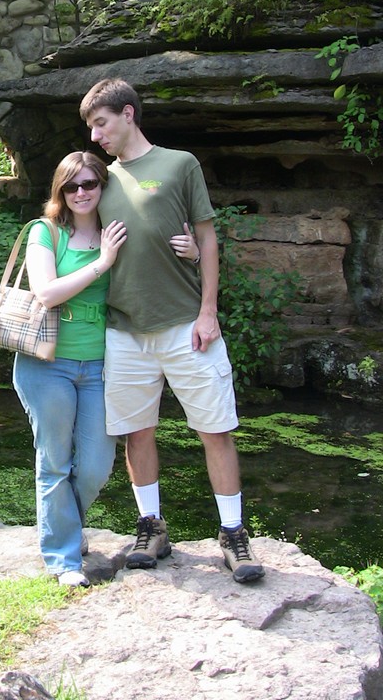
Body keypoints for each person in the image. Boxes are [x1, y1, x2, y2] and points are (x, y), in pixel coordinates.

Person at [79, 78, 265, 584]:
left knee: (215, 430)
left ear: (128, 114)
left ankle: (233, 534)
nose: (96, 136)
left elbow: (208, 237)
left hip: (187, 325)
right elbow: (72, 229)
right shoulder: (99, 180)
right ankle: (151, 527)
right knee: (136, 432)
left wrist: (208, 311)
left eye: (101, 124)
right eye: (91, 128)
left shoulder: (180, 164)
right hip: (123, 331)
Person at [13, 151, 127, 588]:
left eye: (90, 184)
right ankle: (63, 559)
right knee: (55, 462)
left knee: (96, 466)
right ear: (60, 190)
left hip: (100, 364)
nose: (81, 192)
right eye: (71, 185)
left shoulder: (115, 231)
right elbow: (46, 293)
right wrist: (102, 263)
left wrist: (191, 254)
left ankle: (66, 527)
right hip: (48, 364)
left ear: (103, 187)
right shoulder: (46, 232)